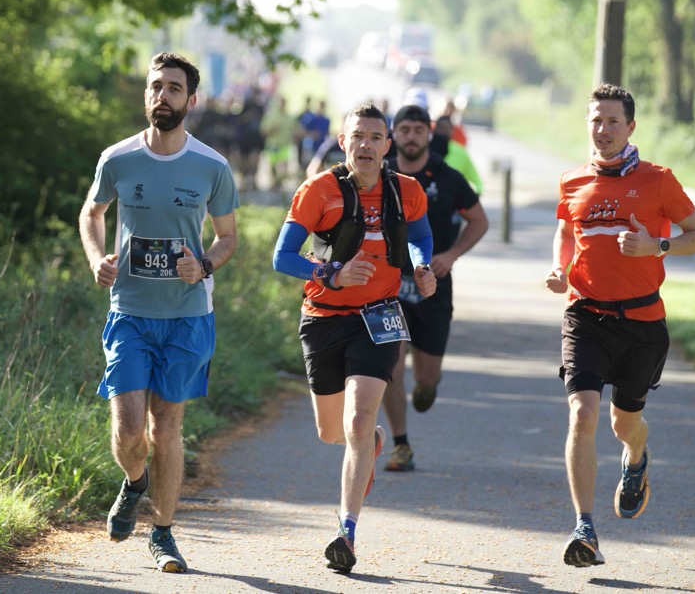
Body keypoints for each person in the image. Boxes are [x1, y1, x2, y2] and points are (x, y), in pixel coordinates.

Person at [78, 52, 239, 574]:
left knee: (165, 429)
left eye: (173, 88)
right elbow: (92, 213)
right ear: (146, 94)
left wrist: (204, 264)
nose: (162, 95)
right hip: (130, 312)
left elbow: (228, 237)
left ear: (191, 101)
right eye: (155, 86)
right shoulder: (118, 159)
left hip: (188, 317)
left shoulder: (212, 166)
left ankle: (163, 532)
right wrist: (96, 258)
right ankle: (135, 482)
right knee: (129, 431)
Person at [544, 83, 695, 568]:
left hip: (642, 322)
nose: (603, 129)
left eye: (613, 121)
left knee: (624, 424)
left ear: (631, 127)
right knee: (582, 414)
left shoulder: (658, 180)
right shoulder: (572, 181)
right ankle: (585, 528)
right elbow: (565, 231)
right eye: (596, 120)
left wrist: (657, 247)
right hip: (585, 316)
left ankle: (636, 459)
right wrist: (559, 268)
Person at [271, 102, 437, 574]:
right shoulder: (318, 191)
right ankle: (372, 443)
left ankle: (346, 531)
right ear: (343, 142)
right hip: (323, 316)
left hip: (379, 315)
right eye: (357, 136)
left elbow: (420, 237)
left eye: (375, 137)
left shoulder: (406, 191)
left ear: (387, 145)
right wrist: (332, 274)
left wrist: (422, 266)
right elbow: (283, 257)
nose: (366, 145)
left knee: (360, 419)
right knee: (332, 432)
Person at [380, 104, 489, 472]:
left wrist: (451, 255)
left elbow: (479, 221)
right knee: (391, 368)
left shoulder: (447, 178)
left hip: (433, 285)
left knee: (426, 379)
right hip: (387, 288)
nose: (411, 137)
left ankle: (426, 385)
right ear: (394, 135)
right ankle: (401, 444)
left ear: (429, 134)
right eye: (404, 130)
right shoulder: (380, 174)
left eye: (417, 130)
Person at [431, 115, 483, 193]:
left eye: (446, 128)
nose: (443, 131)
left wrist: (472, 197)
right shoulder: (424, 150)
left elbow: (478, 183)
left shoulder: (461, 152)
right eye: (441, 128)